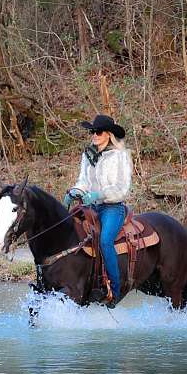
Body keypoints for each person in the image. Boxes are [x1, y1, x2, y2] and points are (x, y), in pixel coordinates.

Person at [64, 114, 132, 307]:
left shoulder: (120, 156)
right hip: (90, 206)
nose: (94, 135)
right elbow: (83, 181)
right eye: (92, 131)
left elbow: (122, 188)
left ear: (108, 134)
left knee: (104, 241)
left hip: (112, 207)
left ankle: (114, 290)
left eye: (98, 131)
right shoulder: (88, 154)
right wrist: (74, 192)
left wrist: (98, 195)